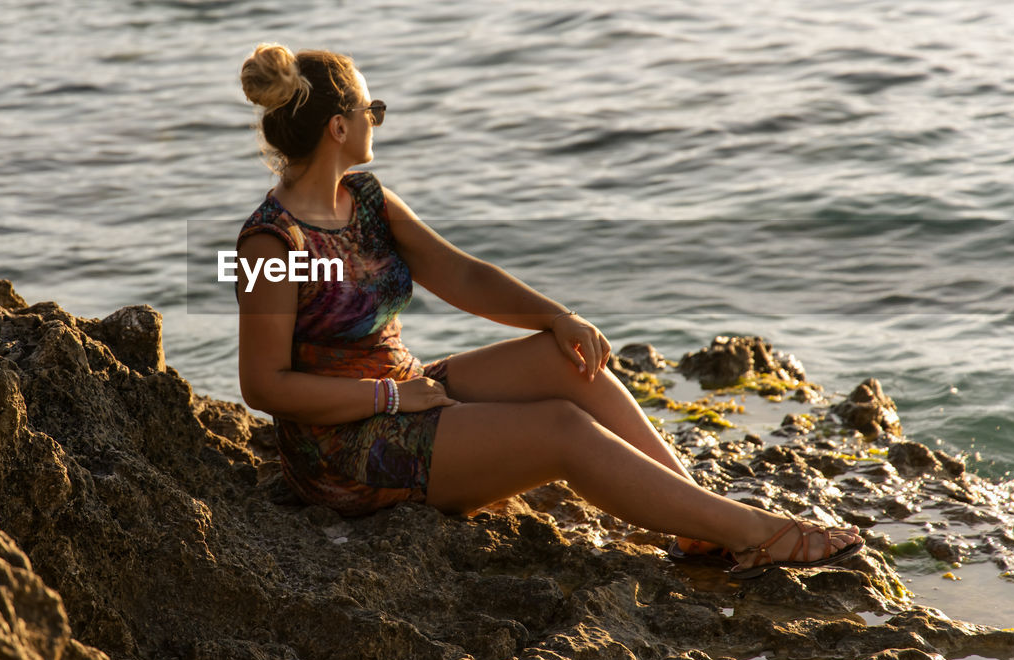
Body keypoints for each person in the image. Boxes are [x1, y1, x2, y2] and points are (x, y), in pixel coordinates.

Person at [234, 43, 862, 578]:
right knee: (561, 428)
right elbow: (265, 386)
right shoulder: (273, 242)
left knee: (567, 362)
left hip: (404, 391)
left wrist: (555, 317)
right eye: (372, 108)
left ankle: (701, 522)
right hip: (343, 451)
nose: (379, 117)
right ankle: (754, 533)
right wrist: (392, 401)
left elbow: (459, 272)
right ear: (338, 128)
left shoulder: (365, 198)